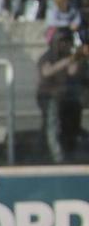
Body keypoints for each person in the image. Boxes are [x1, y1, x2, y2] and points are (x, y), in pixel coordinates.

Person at [36, 27, 87, 163]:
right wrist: (65, 62)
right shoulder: (48, 57)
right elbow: (46, 72)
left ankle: (69, 151)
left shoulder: (70, 57)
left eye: (68, 41)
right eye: (62, 42)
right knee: (52, 125)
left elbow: (72, 72)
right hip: (48, 96)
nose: (65, 45)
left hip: (66, 97)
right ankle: (57, 157)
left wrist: (76, 59)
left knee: (71, 123)